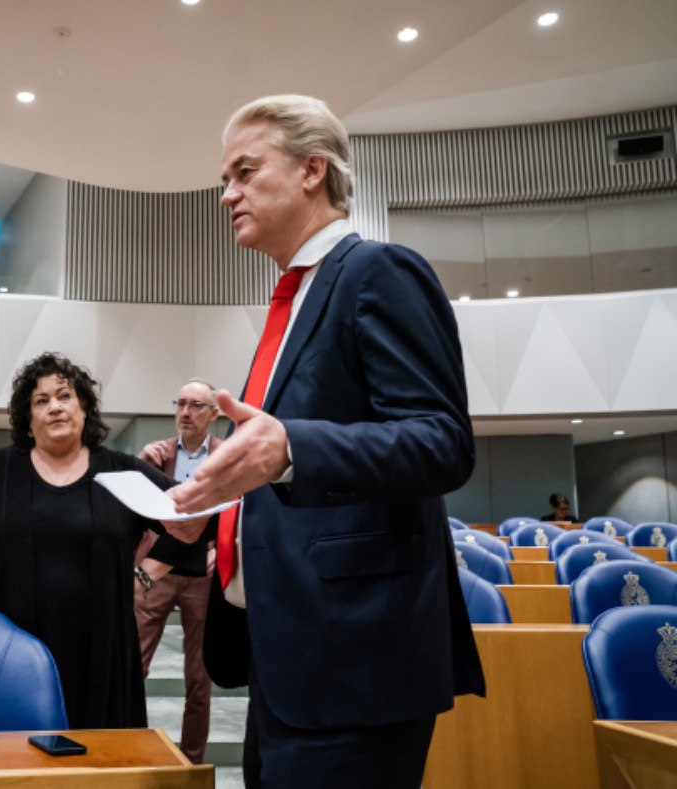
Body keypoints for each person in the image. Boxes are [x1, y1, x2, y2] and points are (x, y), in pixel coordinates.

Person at [166, 95, 485, 788]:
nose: (227, 195)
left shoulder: (379, 271)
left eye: (245, 172)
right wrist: (216, 507)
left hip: (354, 662)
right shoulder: (295, 298)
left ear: (312, 170)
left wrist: (290, 449)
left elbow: (442, 440)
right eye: (226, 178)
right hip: (285, 654)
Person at [0, 352, 204, 729]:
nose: (54, 406)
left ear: (84, 409)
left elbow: (193, 521)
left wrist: (146, 575)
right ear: (28, 419)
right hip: (10, 649)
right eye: (41, 400)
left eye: (65, 396)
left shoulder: (122, 471)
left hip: (102, 652)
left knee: (99, 757)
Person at [133, 377, 222, 764]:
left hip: (203, 576)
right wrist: (140, 464)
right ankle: (124, 751)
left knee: (200, 681)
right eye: (181, 403)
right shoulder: (157, 454)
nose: (185, 412)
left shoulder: (227, 456)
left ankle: (192, 764)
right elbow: (136, 508)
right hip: (156, 574)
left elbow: (239, 511)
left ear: (213, 413)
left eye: (196, 405)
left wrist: (221, 550)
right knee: (132, 667)